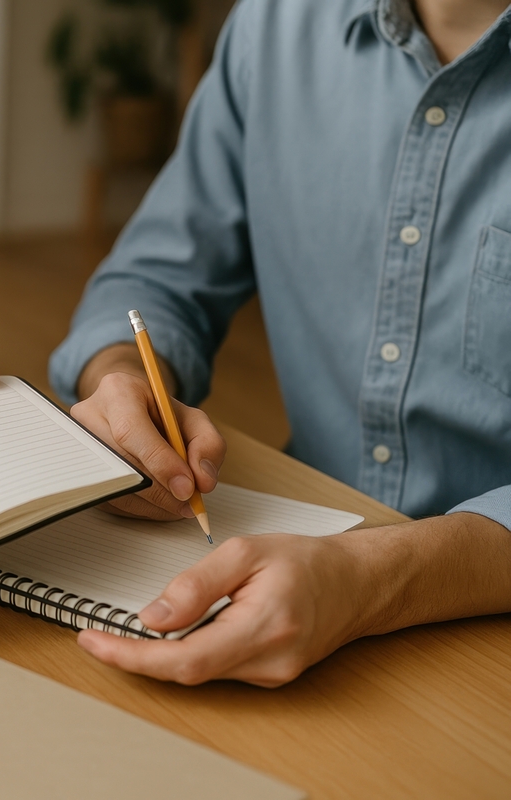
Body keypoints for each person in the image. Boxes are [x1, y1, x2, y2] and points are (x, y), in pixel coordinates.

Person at [51, 0, 511, 686]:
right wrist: (121, 379)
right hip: (291, 564)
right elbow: (156, 275)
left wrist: (369, 576)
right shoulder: (275, 25)